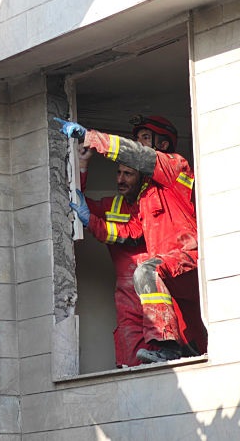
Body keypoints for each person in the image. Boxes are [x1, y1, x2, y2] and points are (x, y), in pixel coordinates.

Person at [55, 114, 207, 363]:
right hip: (167, 272)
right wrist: (90, 219)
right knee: (175, 339)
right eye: (137, 139)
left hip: (187, 259)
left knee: (147, 273)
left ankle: (167, 346)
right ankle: (169, 350)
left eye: (145, 139)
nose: (139, 144)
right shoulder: (146, 196)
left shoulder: (174, 166)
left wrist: (90, 137)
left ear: (164, 144)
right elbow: (132, 232)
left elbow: (139, 156)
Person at [71, 152, 147, 367]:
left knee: (157, 341)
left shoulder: (150, 203)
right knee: (129, 343)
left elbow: (133, 234)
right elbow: (78, 198)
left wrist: (93, 223)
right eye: (119, 173)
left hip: (151, 281)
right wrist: (82, 165)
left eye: (128, 174)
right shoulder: (113, 205)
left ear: (142, 179)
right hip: (126, 286)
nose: (120, 179)